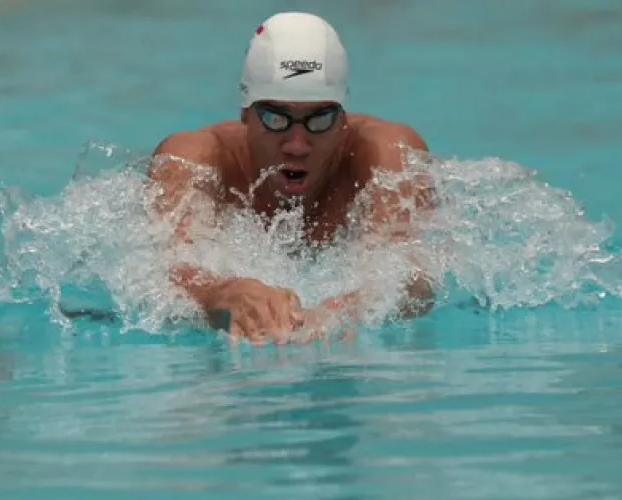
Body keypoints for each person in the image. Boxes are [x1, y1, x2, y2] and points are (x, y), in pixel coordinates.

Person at [148, 12, 435, 344]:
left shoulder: (385, 155)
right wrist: (221, 294)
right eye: (274, 117)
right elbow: (164, 276)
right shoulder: (194, 159)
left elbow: (413, 281)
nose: (297, 144)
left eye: (319, 119)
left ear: (342, 118)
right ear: (246, 113)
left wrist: (351, 309)